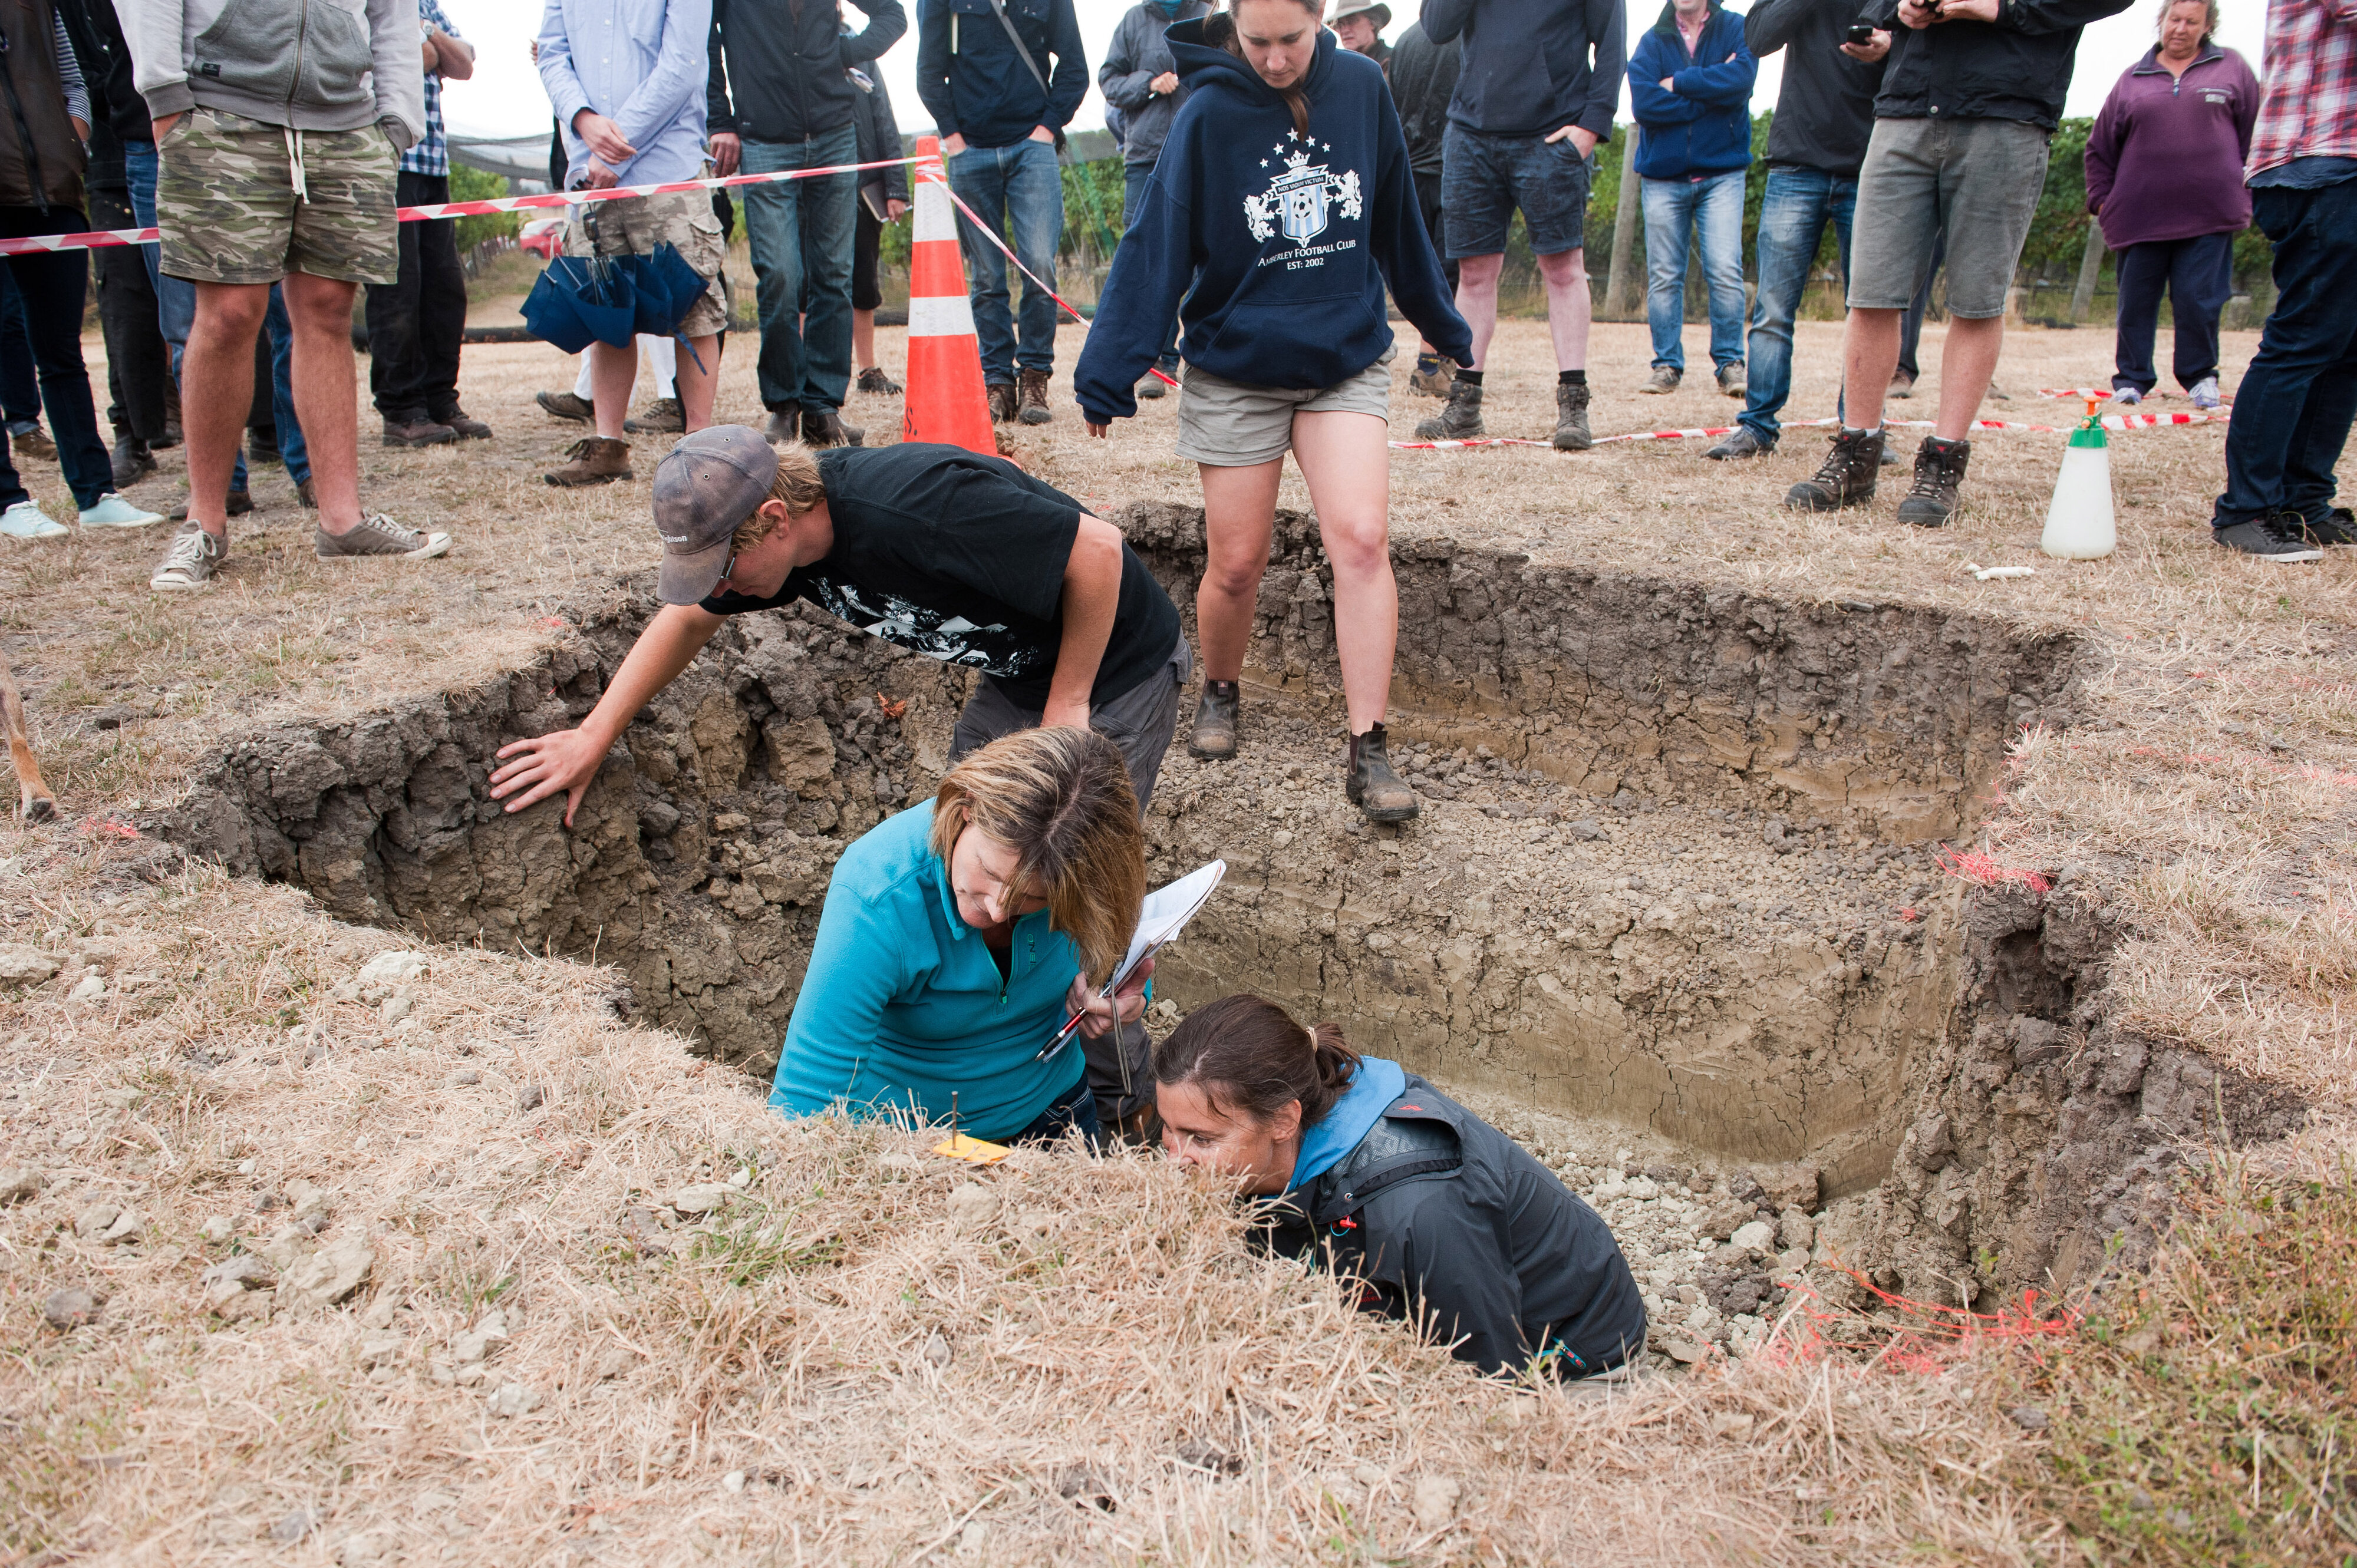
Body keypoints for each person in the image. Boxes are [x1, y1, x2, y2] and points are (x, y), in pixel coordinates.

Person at [488, 426, 1188, 1131]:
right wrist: (592, 734)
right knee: (979, 863)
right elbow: (688, 620)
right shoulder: (773, 553)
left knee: (1066, 867)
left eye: (725, 572)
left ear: (773, 519)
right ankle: (979, 1061)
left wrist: (1069, 706)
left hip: (1112, 665)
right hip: (1019, 671)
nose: (723, 593)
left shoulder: (919, 507)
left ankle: (1120, 1103)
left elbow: (1099, 549)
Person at [1073, 0, 1469, 824]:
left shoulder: (1362, 87)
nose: (1275, 59)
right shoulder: (1207, 111)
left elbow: (1396, 216)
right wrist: (1110, 368)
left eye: (1290, 40)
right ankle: (1219, 687)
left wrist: (1442, 325)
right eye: (1256, 43)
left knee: (1361, 539)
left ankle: (1369, 748)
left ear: (1320, 16)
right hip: (1235, 367)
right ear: (1232, 28)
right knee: (1236, 564)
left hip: (1340, 360)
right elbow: (1158, 242)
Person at [1155, 995, 1649, 1379]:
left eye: (1201, 1138)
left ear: (1285, 1119)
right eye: (1167, 1129)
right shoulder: (1247, 1133)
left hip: (1566, 1355)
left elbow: (1490, 1374)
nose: (1175, 1159)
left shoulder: (1419, 1208)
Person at [122, 0, 444, 585]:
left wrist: (396, 124)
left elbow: (394, 13)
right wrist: (166, 97)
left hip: (346, 123)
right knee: (228, 314)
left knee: (328, 311)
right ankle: (206, 524)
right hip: (220, 107)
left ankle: (343, 521)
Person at [1781, 0, 2131, 526]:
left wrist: (1996, 8)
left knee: (1975, 299)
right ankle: (1855, 454)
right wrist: (1892, 16)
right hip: (1904, 109)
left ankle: (1942, 461)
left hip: (2005, 115)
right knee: (1871, 293)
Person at [772, 726, 1152, 1147]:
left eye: (1033, 898)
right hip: (912, 1141)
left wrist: (1122, 991)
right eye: (988, 873)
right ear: (967, 808)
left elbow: (1119, 939)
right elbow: (809, 1096)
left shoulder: (1079, 874)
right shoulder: (878, 894)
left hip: (1054, 1110)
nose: (997, 910)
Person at [1413, 0, 1621, 451]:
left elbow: (1611, 42)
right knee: (1473, 273)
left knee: (1563, 269)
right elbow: (1435, 27)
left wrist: (1592, 126)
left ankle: (1573, 404)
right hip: (1471, 134)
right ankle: (1464, 403)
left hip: (1551, 136)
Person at [537, 0, 726, 487]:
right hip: (589, 175)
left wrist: (617, 143)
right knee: (605, 312)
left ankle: (699, 447)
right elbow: (552, 56)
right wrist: (583, 120)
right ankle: (608, 446)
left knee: (695, 306)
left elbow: (682, 66)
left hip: (668, 170)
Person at [706, 0, 904, 451]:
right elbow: (706, 46)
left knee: (833, 275)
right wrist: (721, 121)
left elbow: (893, 15)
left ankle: (822, 408)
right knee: (778, 273)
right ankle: (783, 405)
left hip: (836, 133)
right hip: (763, 139)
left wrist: (843, 53)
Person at [0, 2, 160, 542]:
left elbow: (72, 81)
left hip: (55, 193)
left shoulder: (38, 6)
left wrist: (72, 145)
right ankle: (8, 500)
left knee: (62, 351)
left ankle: (95, 494)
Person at [2205, 0, 2357, 560]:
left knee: (2343, 349)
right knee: (2305, 341)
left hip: (2334, 161)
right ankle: (2246, 510)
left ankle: (2303, 503)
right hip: (2321, 159)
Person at [1705, 0, 1890, 460]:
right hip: (1796, 163)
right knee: (1772, 308)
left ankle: (1861, 429)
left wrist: (1888, 46)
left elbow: (1922, 54)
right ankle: (1756, 427)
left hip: (1873, 164)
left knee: (1873, 310)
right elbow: (1758, 36)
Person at [912, 0, 1086, 427]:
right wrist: (952, 138)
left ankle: (1033, 377)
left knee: (1040, 266)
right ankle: (996, 382)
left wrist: (1046, 129)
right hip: (969, 150)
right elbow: (928, 71)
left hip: (1033, 148)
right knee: (986, 277)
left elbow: (1075, 66)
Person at [2084, 0, 2256, 412]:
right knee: (2135, 303)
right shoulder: (2131, 79)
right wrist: (2102, 202)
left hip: (2210, 215)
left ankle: (2199, 378)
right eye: (2173, 19)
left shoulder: (2232, 69)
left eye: (2190, 22)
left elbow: (2255, 135)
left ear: (2207, 26)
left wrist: (2250, 190)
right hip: (2138, 217)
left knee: (2200, 301)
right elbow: (2099, 149)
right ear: (2160, 22)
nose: (2180, 29)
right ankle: (2131, 379)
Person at [364, 0, 486, 448]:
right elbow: (395, 59)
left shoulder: (424, 3)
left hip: (434, 164)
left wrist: (423, 31)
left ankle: (440, 399)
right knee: (397, 290)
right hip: (384, 160)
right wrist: (430, 44)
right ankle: (401, 409)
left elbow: (463, 63)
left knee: (444, 288)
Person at [1627, 0, 1755, 398]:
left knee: (1724, 270)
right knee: (1665, 275)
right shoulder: (1651, 41)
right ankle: (1666, 365)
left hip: (1722, 174)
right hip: (1663, 177)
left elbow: (1742, 81)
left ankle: (1730, 364)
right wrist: (1712, 94)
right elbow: (1645, 105)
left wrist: (1678, 82)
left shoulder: (1737, 27)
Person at [1099, 0, 1212, 402]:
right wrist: (1147, 83)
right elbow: (1108, 82)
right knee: (1150, 259)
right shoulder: (1133, 20)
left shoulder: (1210, 14)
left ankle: (1202, 359)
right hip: (1145, 157)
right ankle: (1154, 363)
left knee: (1209, 255)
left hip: (1203, 151)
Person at [1386, 15, 1462, 398]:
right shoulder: (1469, 34)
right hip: (1456, 164)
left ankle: (1436, 359)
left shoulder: (1406, 40)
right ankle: (1432, 364)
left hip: (1412, 167)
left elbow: (1395, 104)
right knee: (1450, 270)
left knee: (1420, 265)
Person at [847, 59, 909, 397]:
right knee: (804, 284)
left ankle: (867, 370)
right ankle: (801, 371)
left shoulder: (860, 54)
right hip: (811, 187)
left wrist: (896, 188)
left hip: (862, 187)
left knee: (864, 280)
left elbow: (884, 120)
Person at [1329, 0, 1389, 67]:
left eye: (1352, 21)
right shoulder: (1340, 67)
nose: (1344, 30)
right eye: (1339, 25)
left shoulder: (1392, 61)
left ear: (1372, 23)